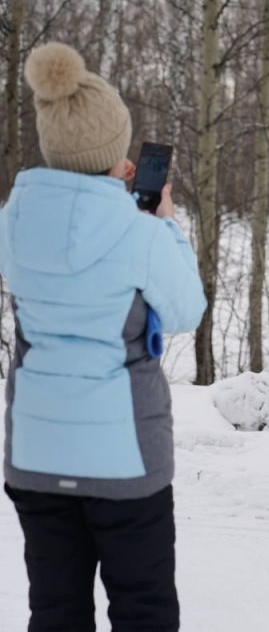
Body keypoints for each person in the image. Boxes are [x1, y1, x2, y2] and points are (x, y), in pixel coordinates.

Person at [1, 42, 206, 630]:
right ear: (119, 155)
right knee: (143, 607)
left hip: (36, 455)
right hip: (124, 459)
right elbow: (186, 308)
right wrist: (164, 226)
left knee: (56, 608)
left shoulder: (12, 220)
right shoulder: (140, 230)